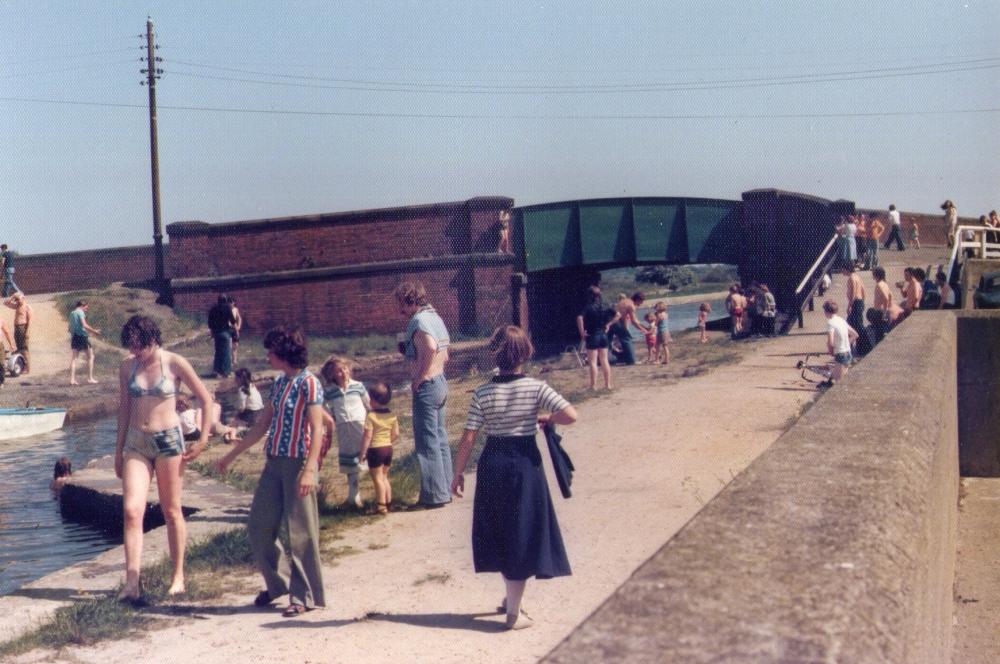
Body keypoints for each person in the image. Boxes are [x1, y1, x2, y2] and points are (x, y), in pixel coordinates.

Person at [451, 325, 578, 631]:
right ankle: (514, 614)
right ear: (527, 353)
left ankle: (510, 600)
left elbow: (469, 437)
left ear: (494, 352)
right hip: (524, 464)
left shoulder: (482, 391)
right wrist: (545, 417)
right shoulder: (536, 387)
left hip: (493, 463)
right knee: (521, 532)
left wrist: (457, 473)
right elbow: (571, 415)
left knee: (503, 531)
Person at [212, 326, 326, 617]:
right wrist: (230, 456)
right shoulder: (278, 383)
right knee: (258, 527)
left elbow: (318, 428)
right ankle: (280, 585)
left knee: (301, 532)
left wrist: (311, 469)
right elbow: (261, 427)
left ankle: (304, 596)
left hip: (299, 462)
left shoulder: (309, 383)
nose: (267, 356)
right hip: (274, 462)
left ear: (284, 354)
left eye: (271, 352)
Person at [115, 315, 213, 603]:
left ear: (151, 339)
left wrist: (203, 440)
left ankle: (178, 576)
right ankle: (132, 583)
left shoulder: (174, 362)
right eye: (130, 347)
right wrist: (119, 451)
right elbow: (123, 410)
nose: (134, 352)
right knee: (132, 510)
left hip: (168, 442)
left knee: (171, 511)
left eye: (138, 346)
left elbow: (205, 399)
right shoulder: (126, 367)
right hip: (136, 442)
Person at [394, 281, 453, 508]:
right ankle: (445, 489)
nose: (399, 309)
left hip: (427, 386)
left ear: (407, 301)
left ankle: (433, 496)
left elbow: (428, 348)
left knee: (427, 442)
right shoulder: (435, 317)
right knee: (440, 439)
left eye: (399, 303)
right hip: (441, 383)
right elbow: (445, 354)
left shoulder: (418, 320)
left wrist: (420, 376)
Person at [320, 355, 370, 509]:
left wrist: (372, 420)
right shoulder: (330, 391)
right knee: (349, 460)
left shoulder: (358, 386)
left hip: (359, 425)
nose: (343, 372)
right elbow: (324, 407)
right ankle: (353, 496)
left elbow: (368, 405)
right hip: (343, 427)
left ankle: (375, 494)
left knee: (363, 457)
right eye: (339, 371)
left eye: (345, 369)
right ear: (332, 374)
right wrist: (331, 417)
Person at [358, 382, 399, 515]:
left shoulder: (371, 416)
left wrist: (363, 453)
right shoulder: (391, 415)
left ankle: (381, 506)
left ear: (372, 400)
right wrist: (387, 441)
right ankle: (388, 502)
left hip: (375, 450)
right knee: (384, 476)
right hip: (388, 449)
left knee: (377, 479)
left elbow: (367, 436)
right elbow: (396, 434)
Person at [576, 285, 617, 390]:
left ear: (589, 295)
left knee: (593, 362)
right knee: (604, 360)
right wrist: (608, 324)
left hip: (592, 335)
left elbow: (579, 318)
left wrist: (582, 333)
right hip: (603, 335)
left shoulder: (587, 306)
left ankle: (593, 386)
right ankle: (608, 385)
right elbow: (618, 314)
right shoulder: (605, 305)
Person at [821, 300, 858, 389]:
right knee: (833, 378)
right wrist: (846, 344)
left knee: (840, 384)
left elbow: (830, 341)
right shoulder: (841, 320)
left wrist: (831, 351)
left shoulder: (830, 323)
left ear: (826, 312)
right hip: (848, 352)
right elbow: (855, 335)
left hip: (841, 355)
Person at [68, 300, 101, 385]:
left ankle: (72, 380)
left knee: (74, 358)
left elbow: (70, 328)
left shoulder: (72, 313)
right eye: (86, 307)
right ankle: (89, 378)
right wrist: (94, 332)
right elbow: (84, 325)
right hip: (82, 337)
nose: (87, 309)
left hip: (75, 336)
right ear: (82, 306)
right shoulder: (80, 312)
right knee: (91, 356)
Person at [608, 292, 644, 366]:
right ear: (637, 299)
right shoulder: (631, 306)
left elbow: (624, 317)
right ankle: (631, 361)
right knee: (627, 339)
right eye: (641, 302)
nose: (640, 304)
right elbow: (634, 321)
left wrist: (625, 329)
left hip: (609, 319)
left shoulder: (624, 301)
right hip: (615, 320)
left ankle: (608, 360)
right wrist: (642, 329)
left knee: (608, 340)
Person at [207, 295, 236, 378]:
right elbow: (233, 321)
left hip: (217, 333)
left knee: (218, 352)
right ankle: (226, 372)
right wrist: (235, 330)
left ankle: (217, 371)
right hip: (225, 332)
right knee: (226, 353)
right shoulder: (227, 308)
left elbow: (210, 322)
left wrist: (212, 331)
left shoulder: (213, 309)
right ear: (225, 300)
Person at [4, 292, 32, 373]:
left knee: (24, 349)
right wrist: (13, 296)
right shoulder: (17, 306)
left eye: (18, 299)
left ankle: (27, 368)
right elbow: (5, 303)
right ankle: (22, 366)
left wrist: (27, 332)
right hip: (17, 328)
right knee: (18, 348)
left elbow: (30, 321)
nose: (17, 301)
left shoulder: (27, 307)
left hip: (23, 328)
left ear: (23, 298)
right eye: (16, 300)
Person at [844, 265, 866, 337]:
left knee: (855, 325)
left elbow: (853, 293)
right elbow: (863, 290)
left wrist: (849, 306)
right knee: (857, 324)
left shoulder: (851, 278)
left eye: (843, 270)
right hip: (859, 302)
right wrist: (863, 301)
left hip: (855, 303)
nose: (842, 272)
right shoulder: (857, 277)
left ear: (847, 269)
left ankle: (863, 341)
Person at [230, 297, 243, 365]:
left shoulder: (235, 309)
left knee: (235, 345)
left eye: (232, 302)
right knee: (229, 346)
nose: (231, 304)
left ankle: (234, 360)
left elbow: (239, 318)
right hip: (229, 328)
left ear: (234, 303)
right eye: (229, 302)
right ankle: (229, 360)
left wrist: (238, 326)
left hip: (234, 329)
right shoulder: (227, 310)